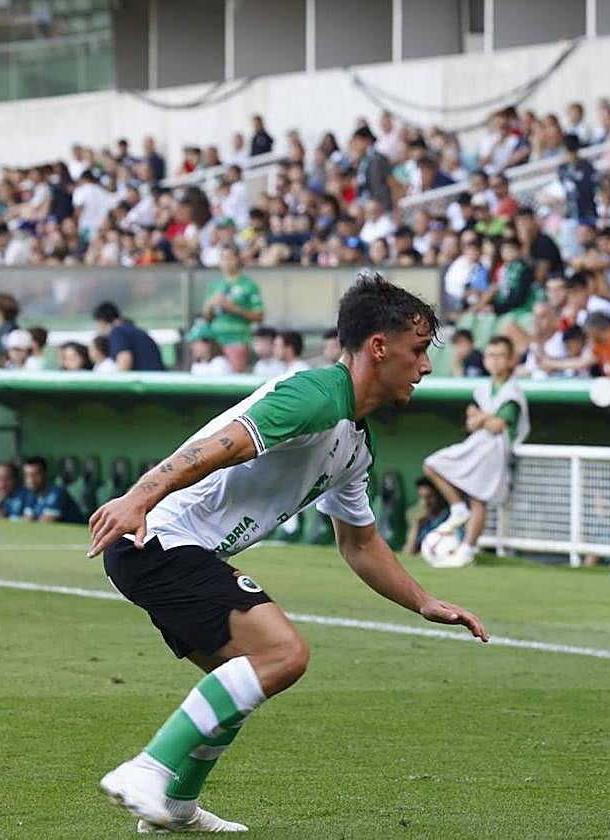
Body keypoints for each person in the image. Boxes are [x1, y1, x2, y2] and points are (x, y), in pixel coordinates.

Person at [89, 272, 488, 832]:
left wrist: (423, 601)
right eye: (418, 350)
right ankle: (145, 770)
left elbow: (360, 543)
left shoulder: (355, 442)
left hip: (170, 548)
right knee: (284, 655)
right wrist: (139, 497)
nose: (425, 367)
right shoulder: (315, 395)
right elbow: (220, 446)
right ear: (379, 347)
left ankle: (177, 807)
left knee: (243, 678)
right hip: (156, 541)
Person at [423, 336, 530, 569]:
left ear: (511, 359)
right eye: (490, 355)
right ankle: (458, 509)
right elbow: (472, 424)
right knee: (432, 465)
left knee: (478, 499)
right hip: (477, 446)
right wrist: (483, 419)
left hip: (496, 451)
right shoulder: (483, 389)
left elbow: (498, 426)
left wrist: (480, 417)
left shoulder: (512, 391)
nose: (495, 360)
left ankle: (467, 550)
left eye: (500, 355)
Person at [202, 245, 264, 373]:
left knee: (235, 378)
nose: (226, 262)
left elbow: (259, 316)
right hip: (215, 341)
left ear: (238, 259)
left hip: (237, 339)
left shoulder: (248, 285)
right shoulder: (214, 285)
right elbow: (206, 316)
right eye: (223, 258)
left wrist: (234, 308)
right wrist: (211, 305)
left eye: (230, 258)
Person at [94, 301, 166, 372]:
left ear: (102, 322)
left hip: (144, 378)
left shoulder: (118, 332)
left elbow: (124, 359)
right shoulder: (136, 331)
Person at [20, 456, 85, 524]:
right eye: (27, 475)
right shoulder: (30, 494)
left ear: (45, 474)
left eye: (35, 474)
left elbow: (45, 524)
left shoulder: (57, 494)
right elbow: (27, 521)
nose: (31, 480)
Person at [406, 477, 450, 556]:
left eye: (430, 497)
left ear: (440, 495)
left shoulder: (450, 517)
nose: (425, 502)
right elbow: (408, 552)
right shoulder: (421, 520)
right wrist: (416, 527)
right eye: (421, 497)